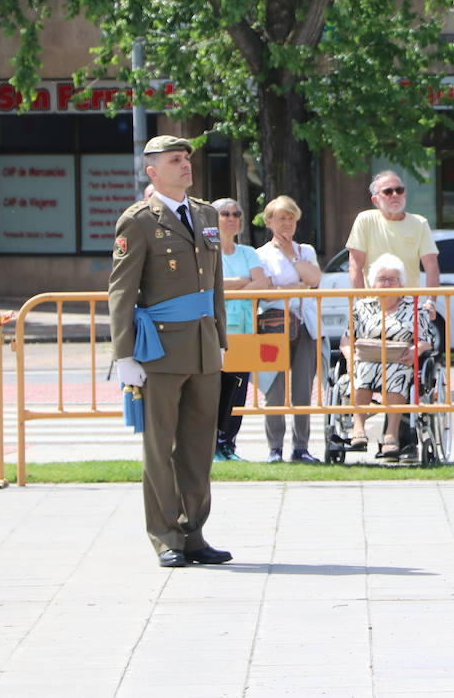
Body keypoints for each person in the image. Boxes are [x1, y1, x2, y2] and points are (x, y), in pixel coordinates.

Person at [108, 135, 231, 568]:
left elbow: (213, 282)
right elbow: (122, 291)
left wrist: (219, 339)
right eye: (175, 160)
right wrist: (124, 356)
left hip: (201, 345)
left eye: (187, 159)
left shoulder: (206, 213)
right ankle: (165, 536)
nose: (186, 165)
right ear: (152, 171)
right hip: (158, 348)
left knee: (199, 446)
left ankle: (194, 532)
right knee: (160, 446)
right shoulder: (139, 220)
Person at [341, 253, 439, 461]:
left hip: (398, 362)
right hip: (366, 361)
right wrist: (350, 357)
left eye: (391, 279)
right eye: (381, 279)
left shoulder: (415, 309)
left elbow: (428, 340)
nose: (386, 284)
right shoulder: (362, 307)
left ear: (401, 284)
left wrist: (416, 350)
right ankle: (358, 428)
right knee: (362, 369)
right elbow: (347, 339)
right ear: (373, 283)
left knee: (397, 373)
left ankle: (391, 434)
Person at [256, 195, 323, 464]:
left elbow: (315, 280)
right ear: (269, 221)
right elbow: (265, 292)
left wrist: (293, 258)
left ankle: (301, 447)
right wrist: (294, 287)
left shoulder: (305, 251)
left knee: (303, 389)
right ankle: (274, 447)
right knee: (274, 387)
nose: (287, 223)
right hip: (273, 326)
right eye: (281, 217)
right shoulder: (259, 255)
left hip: (305, 325)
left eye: (291, 218)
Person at [211, 197, 270, 461]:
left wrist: (229, 288)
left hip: (245, 330)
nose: (232, 218)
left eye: (236, 214)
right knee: (213, 391)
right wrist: (240, 283)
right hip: (215, 331)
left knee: (238, 390)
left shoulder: (248, 252)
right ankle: (211, 445)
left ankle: (229, 444)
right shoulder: (207, 251)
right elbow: (210, 286)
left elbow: (263, 282)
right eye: (225, 214)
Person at [345, 171, 440, 315]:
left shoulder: (419, 223)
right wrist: (362, 304)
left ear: (405, 195)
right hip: (374, 307)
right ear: (375, 200)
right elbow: (355, 266)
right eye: (388, 191)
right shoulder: (365, 220)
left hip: (409, 308)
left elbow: (432, 265)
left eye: (399, 190)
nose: (395, 195)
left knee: (417, 338)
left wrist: (431, 302)